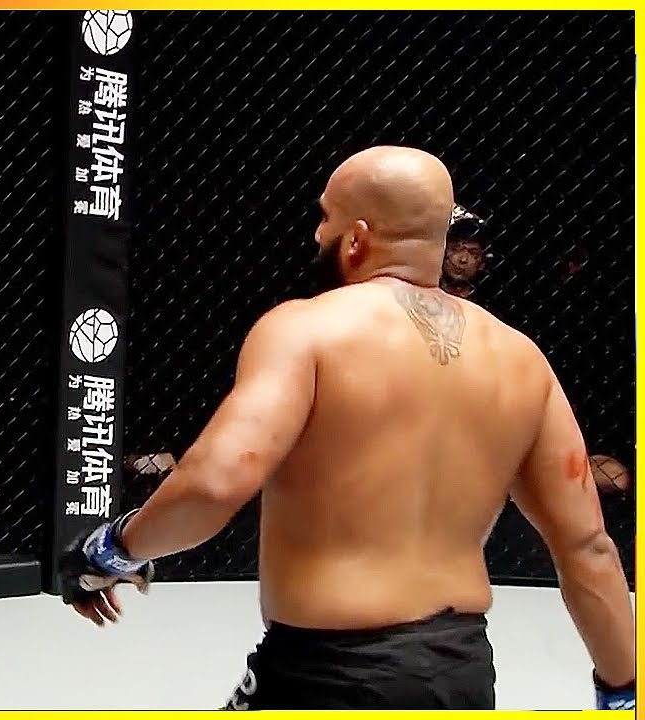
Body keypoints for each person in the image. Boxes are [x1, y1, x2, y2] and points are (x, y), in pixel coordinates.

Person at [57, 145, 635, 710]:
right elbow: (588, 548)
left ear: (356, 237)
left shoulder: (306, 331)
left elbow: (214, 484)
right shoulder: (522, 359)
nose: (317, 234)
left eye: (325, 218)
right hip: (461, 673)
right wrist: (623, 693)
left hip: (328, 676)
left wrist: (110, 551)